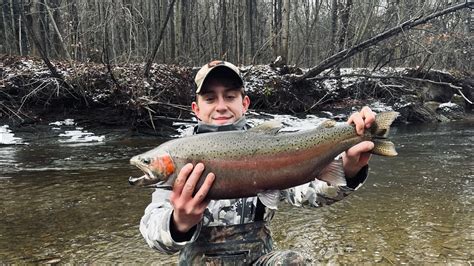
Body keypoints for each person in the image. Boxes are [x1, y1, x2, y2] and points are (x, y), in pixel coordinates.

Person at [139, 60, 376, 265]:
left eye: (230, 96)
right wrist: (179, 222)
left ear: (245, 103)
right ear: (196, 109)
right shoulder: (179, 155)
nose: (221, 106)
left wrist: (349, 167)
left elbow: (309, 194)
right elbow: (153, 232)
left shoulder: (269, 147)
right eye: (210, 98)